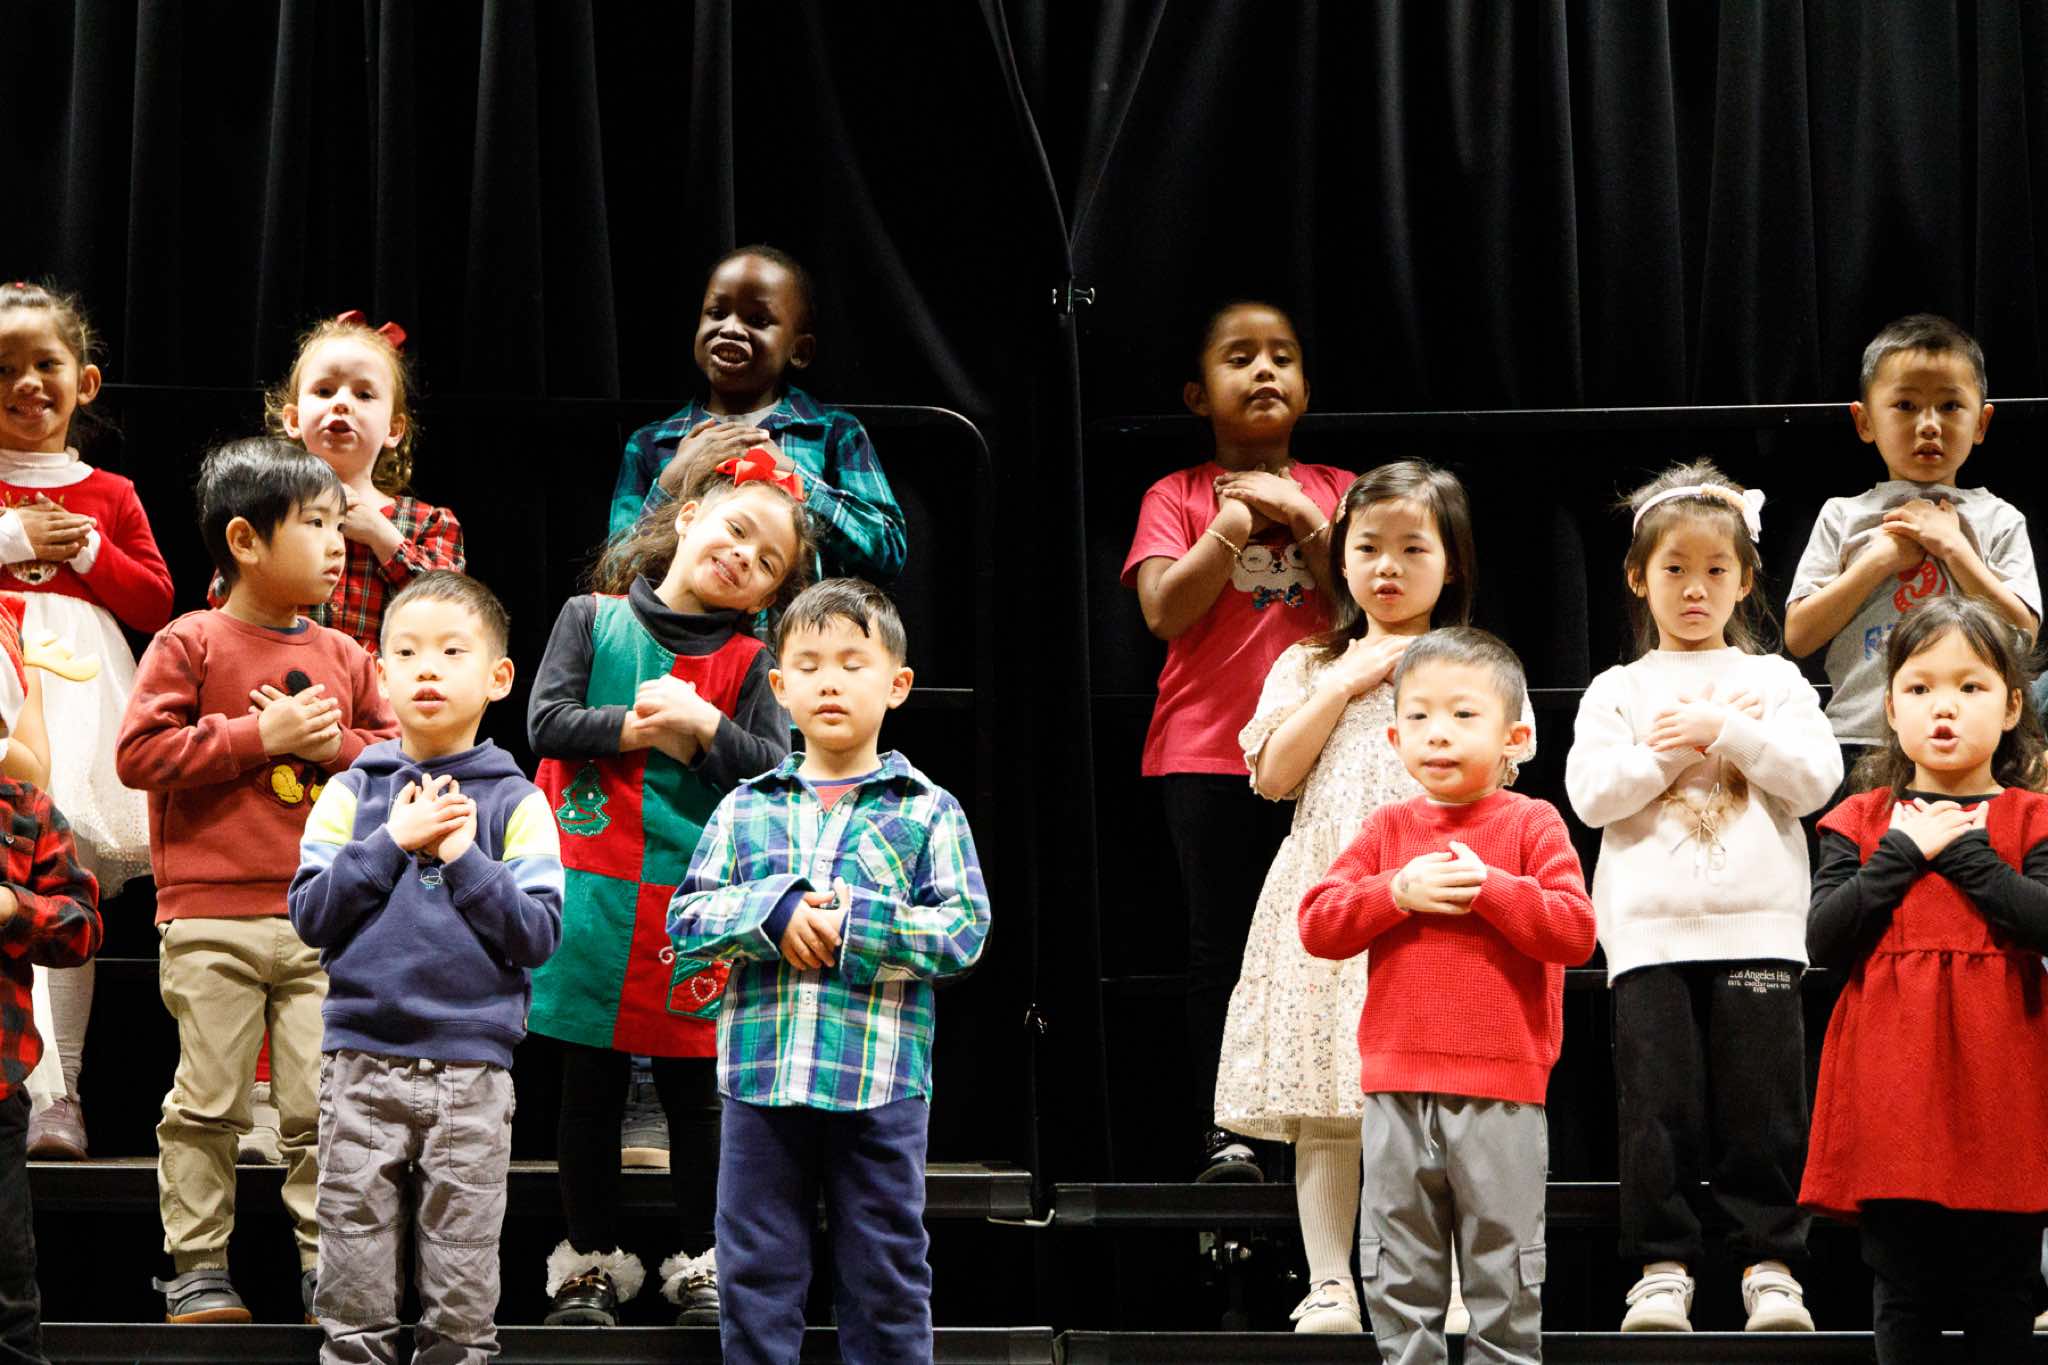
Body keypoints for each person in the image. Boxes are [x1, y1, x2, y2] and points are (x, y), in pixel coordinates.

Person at [1217, 460, 1517, 1335]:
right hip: (1335, 894)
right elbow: (1273, 776)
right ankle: (1330, 1284)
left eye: (1413, 548)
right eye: (1368, 547)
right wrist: (1346, 681)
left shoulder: (1475, 664)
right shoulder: (1308, 660)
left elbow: (1497, 774)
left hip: (1440, 893)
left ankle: (1449, 1286)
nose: (1388, 566)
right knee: (1328, 1095)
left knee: (1438, 1100)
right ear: (1340, 557)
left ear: (1451, 563)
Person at [670, 578, 990, 1364]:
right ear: (780, 688)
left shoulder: (927, 807)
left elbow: (962, 930)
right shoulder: (745, 805)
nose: (831, 681)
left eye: (853, 663)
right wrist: (772, 912)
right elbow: (688, 918)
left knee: (884, 1274)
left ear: (897, 684)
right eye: (809, 666)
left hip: (878, 1083)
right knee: (755, 1274)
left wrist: (856, 927)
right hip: (761, 1080)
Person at [115, 438, 398, 1324]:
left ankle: (327, 1267)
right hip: (212, 919)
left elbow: (396, 761)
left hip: (324, 919)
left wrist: (331, 745)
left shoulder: (348, 654)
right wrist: (255, 738)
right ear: (244, 539)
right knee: (208, 1102)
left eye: (338, 525)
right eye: (315, 524)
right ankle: (198, 1267)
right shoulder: (190, 640)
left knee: (322, 1105)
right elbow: (138, 754)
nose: (335, 544)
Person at [528, 455, 810, 1327]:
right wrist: (644, 727)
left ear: (769, 593)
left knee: (697, 1092)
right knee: (589, 1085)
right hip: (589, 890)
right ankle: (588, 1263)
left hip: (698, 903)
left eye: (767, 560)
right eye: (737, 530)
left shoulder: (754, 661)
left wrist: (706, 725)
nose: (744, 556)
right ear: (688, 519)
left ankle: (702, 1263)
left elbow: (776, 771)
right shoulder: (591, 617)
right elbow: (545, 721)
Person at [1564, 462, 1841, 1333]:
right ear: (1637, 578)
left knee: (1766, 1110)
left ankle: (1771, 1266)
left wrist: (1729, 731)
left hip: (1760, 932)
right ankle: (1662, 1269)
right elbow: (1591, 796)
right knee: (1658, 1110)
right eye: (1675, 568)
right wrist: (1670, 752)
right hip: (1649, 937)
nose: (1695, 587)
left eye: (1717, 569)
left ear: (1746, 580)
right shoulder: (1618, 689)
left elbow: (1817, 779)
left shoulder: (1776, 681)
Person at [1300, 627, 1596, 1362]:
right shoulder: (1387, 828)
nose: (1439, 733)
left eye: (1464, 715)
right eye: (1420, 716)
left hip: (1502, 1093)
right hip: (1395, 1091)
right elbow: (1319, 922)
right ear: (1395, 738)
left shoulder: (1531, 822)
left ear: (1514, 736)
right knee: (1398, 1271)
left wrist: (1491, 887)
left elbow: (1575, 931)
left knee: (1505, 1268)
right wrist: (1394, 892)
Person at [289, 571, 563, 1364]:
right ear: (380, 674)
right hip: (360, 1060)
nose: (427, 669)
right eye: (406, 653)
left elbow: (539, 932)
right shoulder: (352, 792)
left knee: (462, 1290)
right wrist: (391, 843)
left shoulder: (518, 801)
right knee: (352, 1280)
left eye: (451, 650)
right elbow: (310, 913)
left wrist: (463, 856)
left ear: (499, 676)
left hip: (471, 1072)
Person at [210, 309, 464, 1163]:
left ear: (395, 428)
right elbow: (224, 619)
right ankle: (256, 1090)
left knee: (371, 899)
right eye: (323, 390)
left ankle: (358, 1082)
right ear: (291, 416)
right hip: (283, 732)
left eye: (364, 392)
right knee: (274, 908)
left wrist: (378, 534)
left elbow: (454, 611)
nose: (341, 405)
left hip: (379, 739)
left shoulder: (425, 521)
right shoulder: (259, 512)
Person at [1124, 299, 1355, 1181]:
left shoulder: (1339, 488)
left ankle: (1325, 1126)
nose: (1264, 370)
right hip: (1206, 755)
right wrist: (1231, 525)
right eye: (1241, 357)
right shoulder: (1175, 494)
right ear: (1197, 394)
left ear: (1307, 388)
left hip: (1327, 755)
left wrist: (1301, 514)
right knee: (1219, 949)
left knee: (1324, 938)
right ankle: (1228, 1132)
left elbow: (1369, 600)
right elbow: (1162, 610)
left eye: (1282, 357)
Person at [1805, 596, 2048, 1362]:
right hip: (1894, 1091)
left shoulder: (2033, 817)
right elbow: (1825, 936)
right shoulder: (1860, 818)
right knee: (1902, 1287)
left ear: (2012, 706)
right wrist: (1903, 850)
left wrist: (1967, 852)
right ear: (1889, 705)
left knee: (2003, 1289)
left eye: (1970, 686)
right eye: (1920, 687)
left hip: (2004, 1086)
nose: (1944, 705)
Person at [0, 281, 173, 1160]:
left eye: (45, 364)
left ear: (86, 381)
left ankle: (58, 1088)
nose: (26, 383)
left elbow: (155, 599)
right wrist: (17, 539)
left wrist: (92, 547)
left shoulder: (110, 491)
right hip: (4, 674)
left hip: (80, 687)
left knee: (55, 869)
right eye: (4, 369)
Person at [1785, 313, 2039, 787]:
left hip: (1972, 746)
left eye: (1950, 406)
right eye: (1905, 405)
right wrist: (1881, 559)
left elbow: (2023, 633)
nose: (1929, 425)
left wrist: (1954, 549)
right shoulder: (1842, 515)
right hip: (1859, 739)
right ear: (1864, 420)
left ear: (1982, 422)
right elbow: (1799, 635)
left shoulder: (2000, 519)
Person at [609, 245, 903, 582]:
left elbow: (888, 552)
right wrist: (670, 484)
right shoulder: (650, 444)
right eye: (717, 313)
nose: (731, 328)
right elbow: (617, 574)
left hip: (794, 618)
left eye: (758, 320)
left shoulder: (834, 433)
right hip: (679, 619)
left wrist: (795, 479)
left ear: (800, 351)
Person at [0, 587, 103, 1365]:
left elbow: (82, 926)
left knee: (9, 1280)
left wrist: (16, 908)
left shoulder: (26, 812)